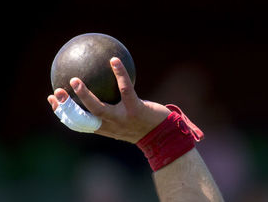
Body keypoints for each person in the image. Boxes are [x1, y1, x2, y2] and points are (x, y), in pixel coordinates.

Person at [46, 57, 224, 202]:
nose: (185, 98)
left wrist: (159, 136)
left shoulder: (216, 133)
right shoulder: (130, 125)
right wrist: (161, 135)